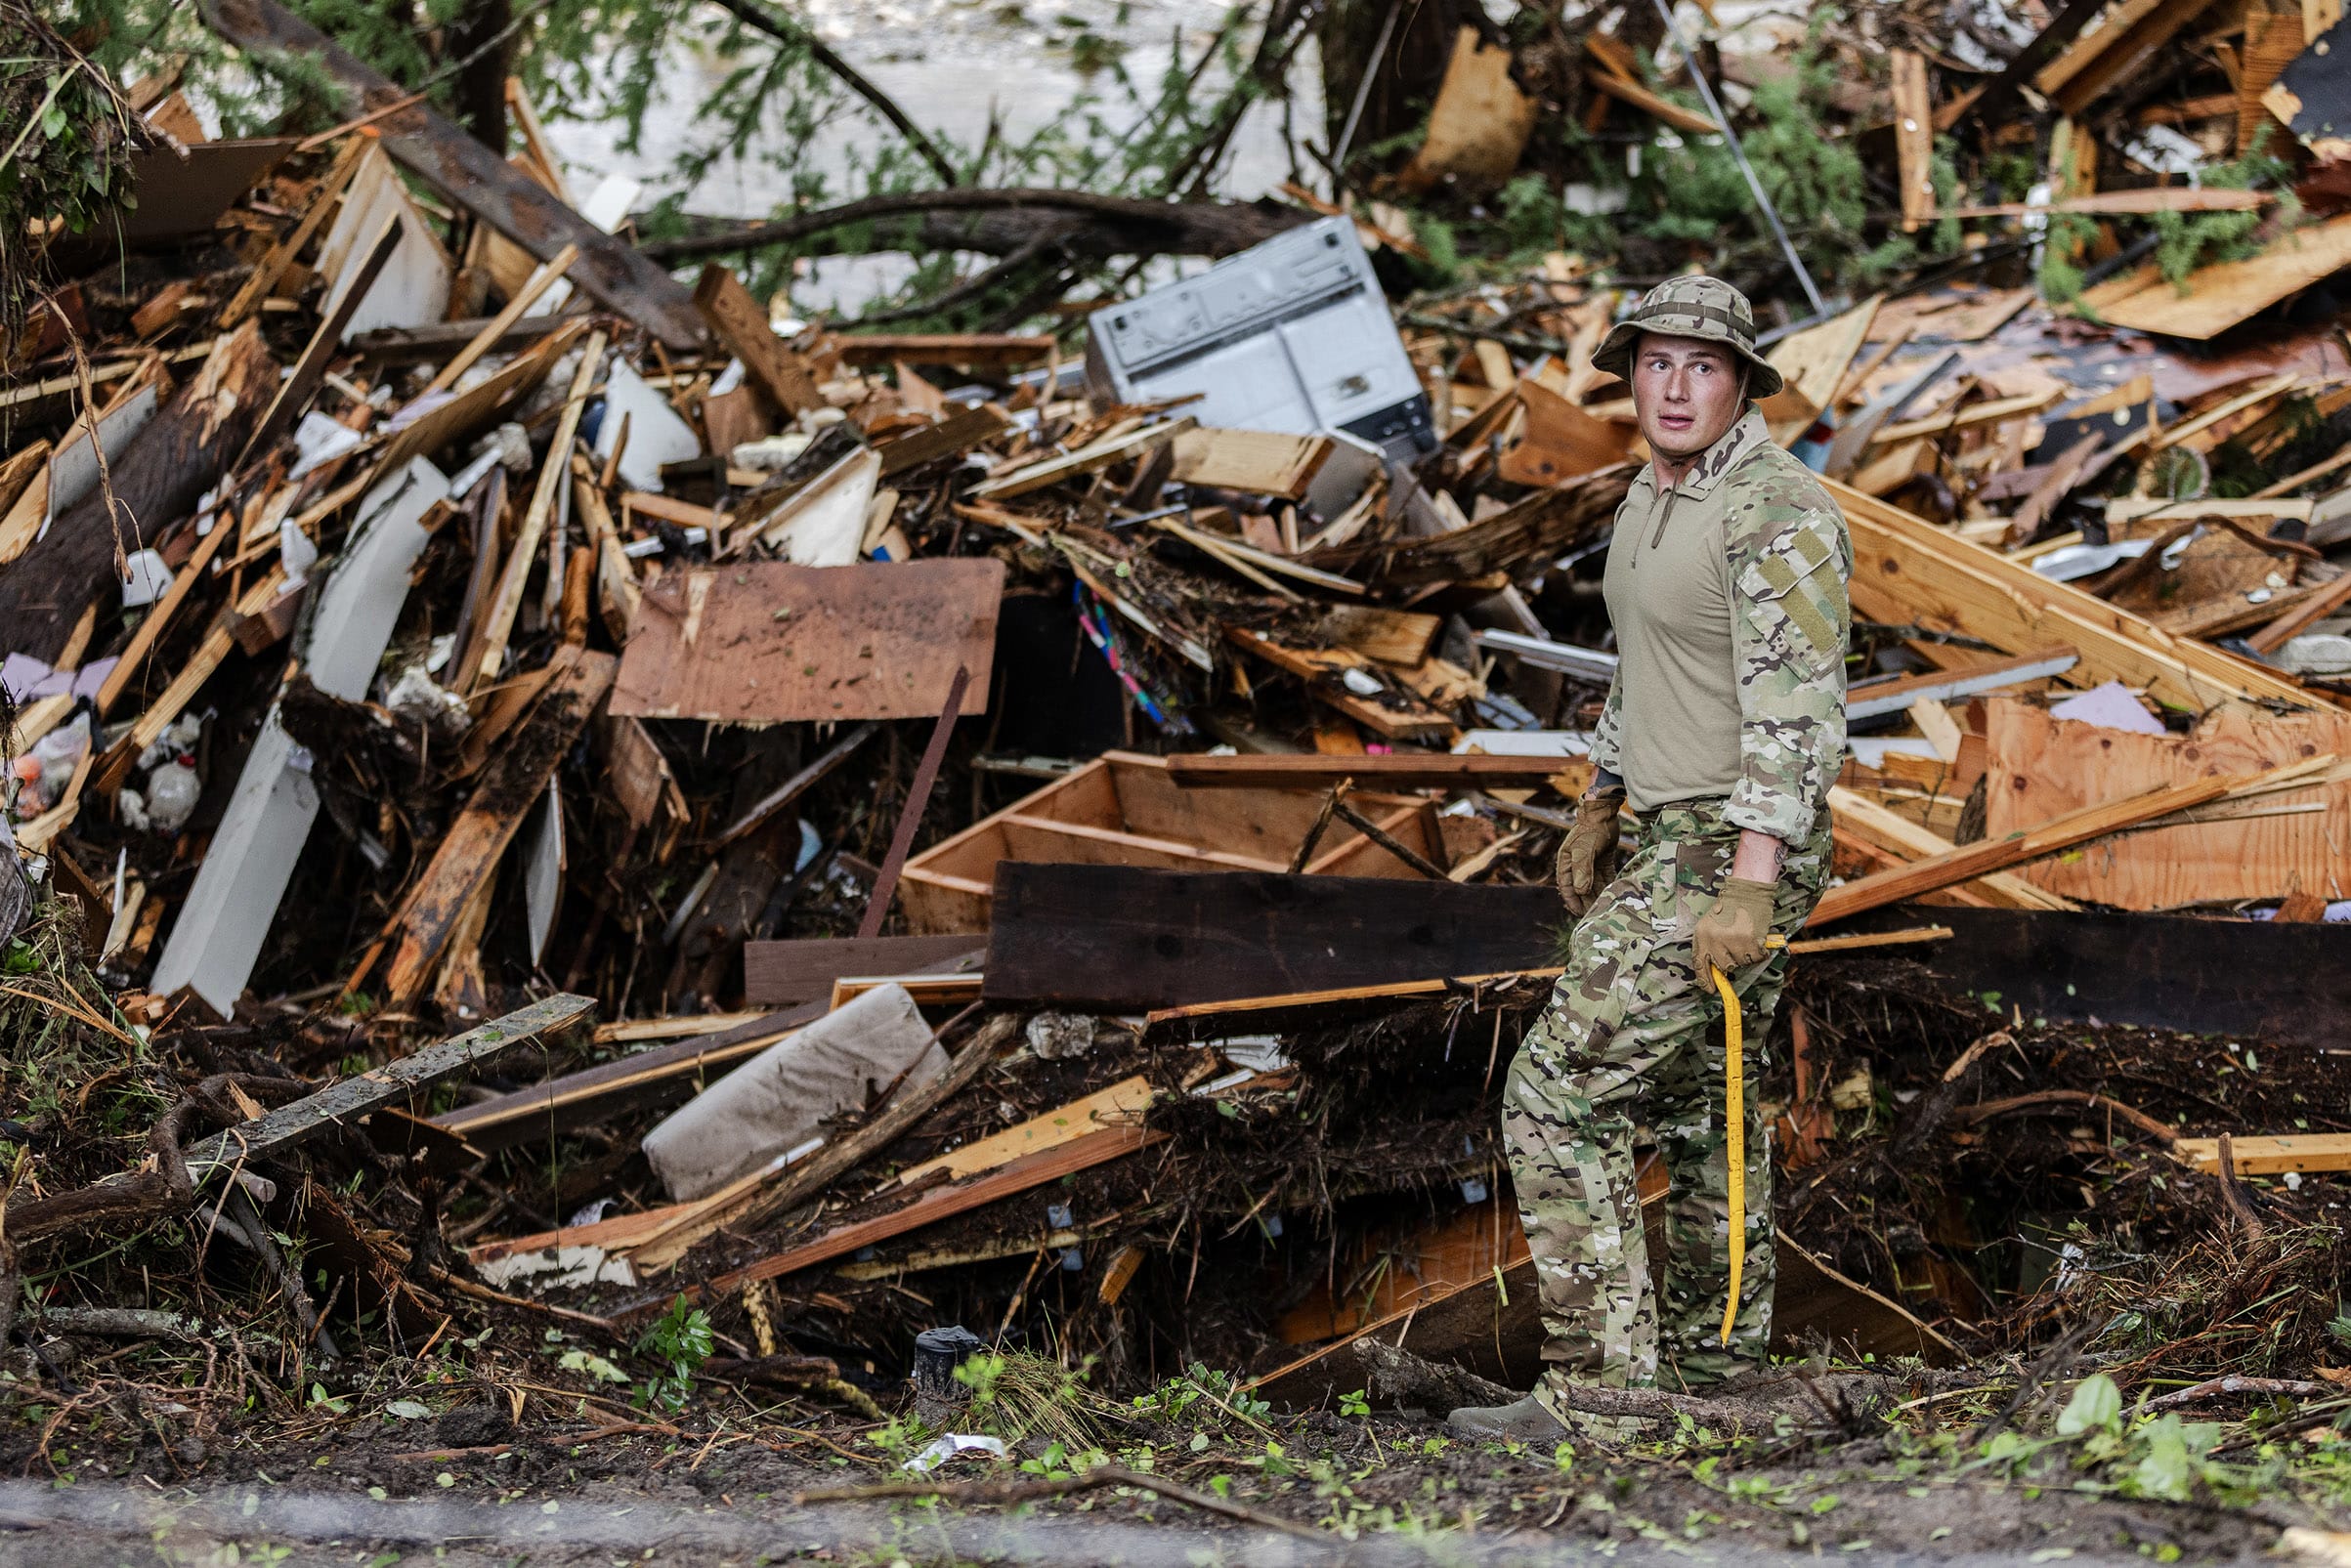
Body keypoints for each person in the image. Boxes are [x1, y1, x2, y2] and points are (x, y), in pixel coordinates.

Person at [1448, 275, 1853, 1443]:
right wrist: (1600, 801)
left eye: (1703, 366)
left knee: (1554, 1093)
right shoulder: (1649, 496)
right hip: (1668, 827)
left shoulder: (1778, 513)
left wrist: (1751, 876)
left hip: (1736, 838)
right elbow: (1641, 664)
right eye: (1656, 364)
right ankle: (1710, 1372)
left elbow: (1799, 710)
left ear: (1740, 384)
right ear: (1630, 377)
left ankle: (1605, 1389)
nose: (1676, 387)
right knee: (1702, 1100)